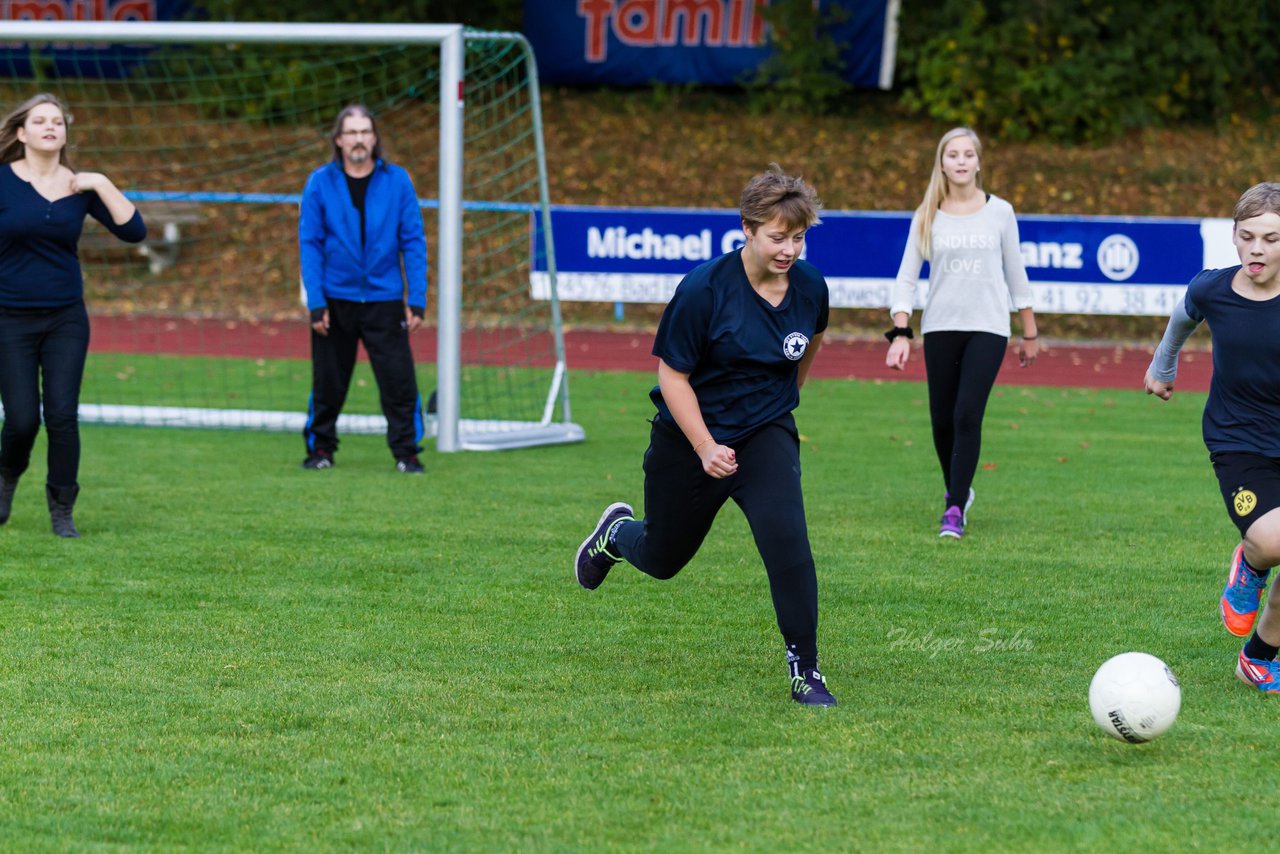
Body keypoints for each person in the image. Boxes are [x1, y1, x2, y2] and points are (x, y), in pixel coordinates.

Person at [574, 165, 837, 707]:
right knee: (663, 557)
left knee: (788, 542)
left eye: (798, 238)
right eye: (777, 237)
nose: (789, 249)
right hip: (689, 442)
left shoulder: (810, 286)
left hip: (765, 433)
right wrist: (704, 446)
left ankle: (805, 670)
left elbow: (811, 342)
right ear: (746, 227)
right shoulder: (703, 290)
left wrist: (784, 402)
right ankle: (616, 534)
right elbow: (672, 376)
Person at [1145, 182, 1280, 693]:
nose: (1257, 250)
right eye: (1247, 237)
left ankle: (1260, 657)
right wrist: (1163, 367)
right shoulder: (1213, 290)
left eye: (1270, 239)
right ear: (1234, 237)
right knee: (1271, 540)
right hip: (1238, 442)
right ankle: (1249, 561)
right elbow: (1182, 318)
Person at [0, 94, 145, 538]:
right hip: (9, 318)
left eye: (57, 122)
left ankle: (62, 509)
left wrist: (100, 182)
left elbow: (134, 231)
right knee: (23, 418)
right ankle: (6, 476)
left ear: (65, 133)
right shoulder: (2, 181)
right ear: (21, 133)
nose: (50, 127)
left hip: (65, 318)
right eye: (39, 121)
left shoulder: (81, 186)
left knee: (63, 415)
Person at [886, 127, 1038, 538]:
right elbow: (905, 278)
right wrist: (900, 331)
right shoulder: (927, 214)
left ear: (978, 161)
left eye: (968, 154)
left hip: (987, 327)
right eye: (952, 154)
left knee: (967, 413)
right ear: (942, 162)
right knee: (941, 422)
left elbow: (1015, 271)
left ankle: (953, 507)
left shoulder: (1000, 212)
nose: (960, 161)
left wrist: (1029, 331)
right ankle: (959, 488)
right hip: (940, 326)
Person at [299, 103, 428, 474]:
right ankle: (320, 449)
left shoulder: (398, 181)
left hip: (384, 299)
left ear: (375, 138)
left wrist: (416, 298)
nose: (359, 139)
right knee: (328, 382)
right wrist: (316, 300)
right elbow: (310, 244)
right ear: (339, 140)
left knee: (399, 382)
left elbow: (413, 241)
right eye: (351, 132)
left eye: (365, 131)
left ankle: (407, 453)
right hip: (334, 299)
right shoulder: (319, 182)